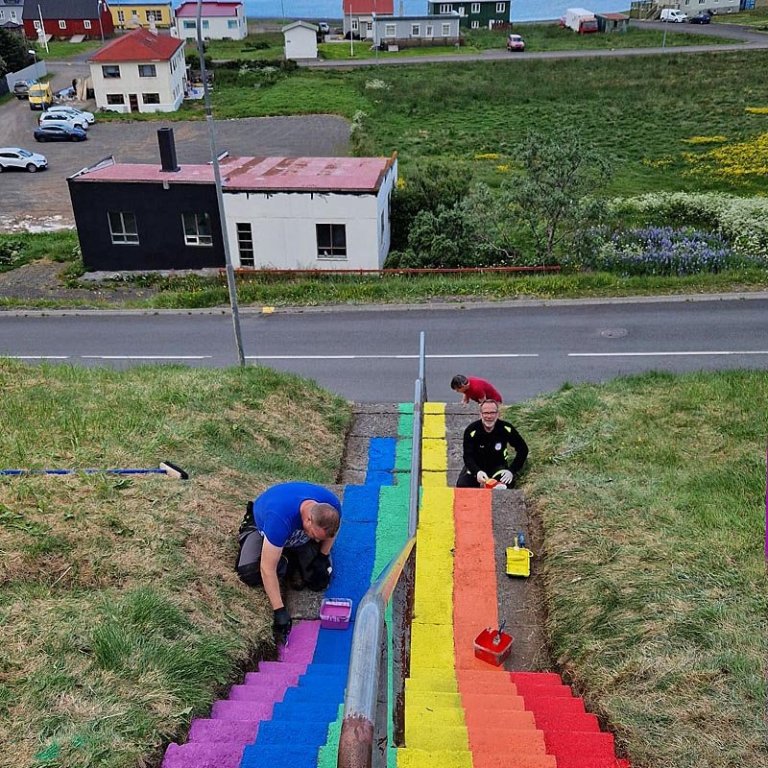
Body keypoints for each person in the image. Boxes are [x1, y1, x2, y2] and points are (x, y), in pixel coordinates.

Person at [235, 481, 342, 644]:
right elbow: (267, 568)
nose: (316, 539)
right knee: (249, 571)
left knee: (318, 580)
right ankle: (284, 559)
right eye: (315, 536)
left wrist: (322, 556)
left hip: (296, 537)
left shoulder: (332, 507)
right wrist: (279, 611)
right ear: (308, 520)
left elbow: (331, 533)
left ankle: (291, 555)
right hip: (266, 529)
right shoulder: (279, 518)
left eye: (319, 538)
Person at [456, 399, 528, 489]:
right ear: (480, 414)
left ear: (498, 414)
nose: (489, 416)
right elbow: (467, 456)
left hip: (498, 467)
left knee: (507, 485)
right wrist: (477, 472)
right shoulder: (471, 430)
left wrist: (512, 470)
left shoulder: (506, 428)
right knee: (462, 484)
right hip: (476, 467)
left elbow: (523, 449)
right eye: (486, 413)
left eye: (492, 413)